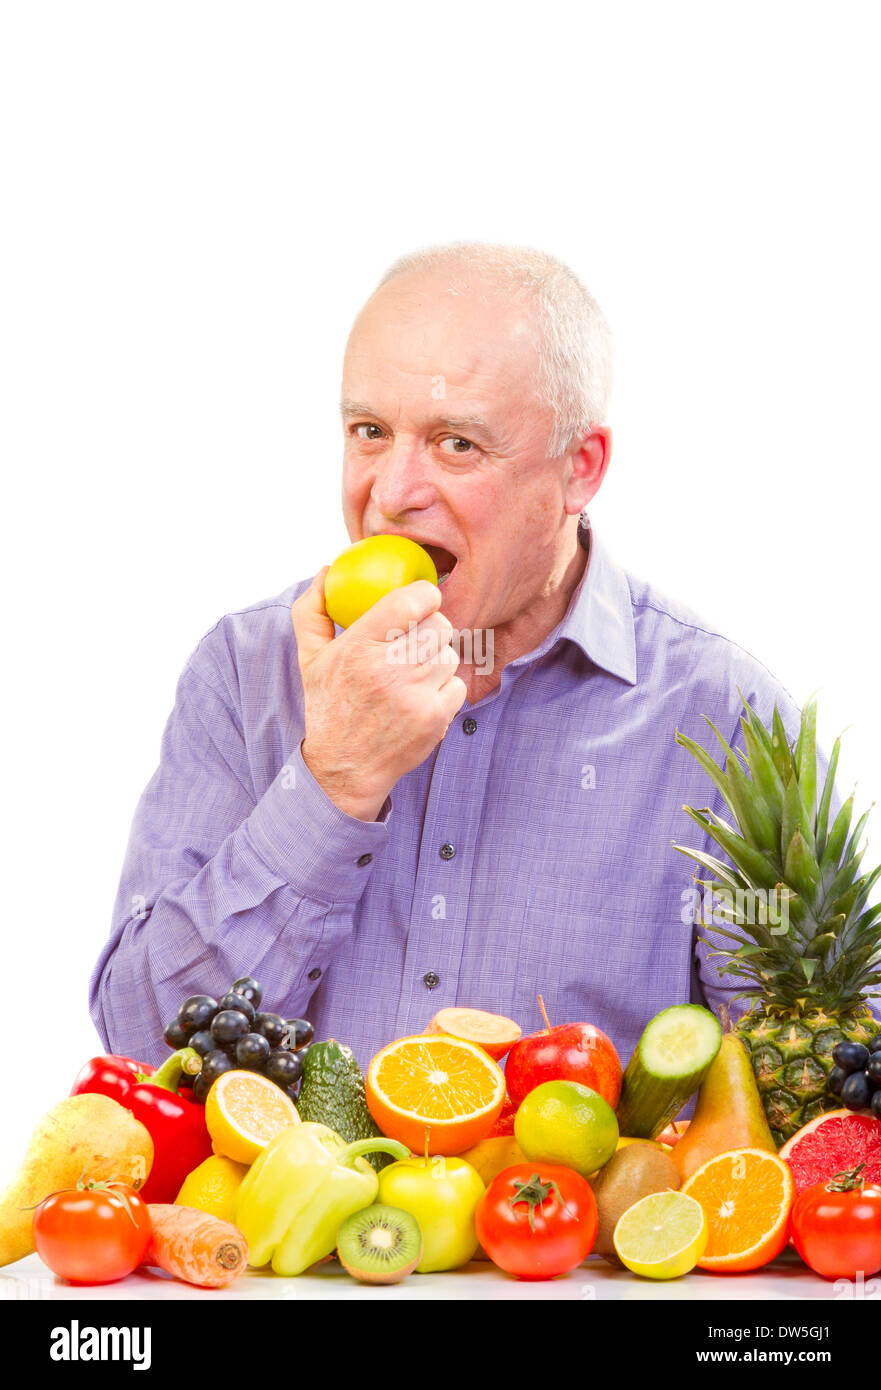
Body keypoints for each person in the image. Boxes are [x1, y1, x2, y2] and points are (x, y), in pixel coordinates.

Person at [90, 242, 803, 1070]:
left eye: (456, 444)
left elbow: (803, 1102)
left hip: (560, 1205)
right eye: (369, 432)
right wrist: (332, 784)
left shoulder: (724, 718)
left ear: (581, 468)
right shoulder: (244, 673)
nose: (391, 494)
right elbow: (143, 1047)